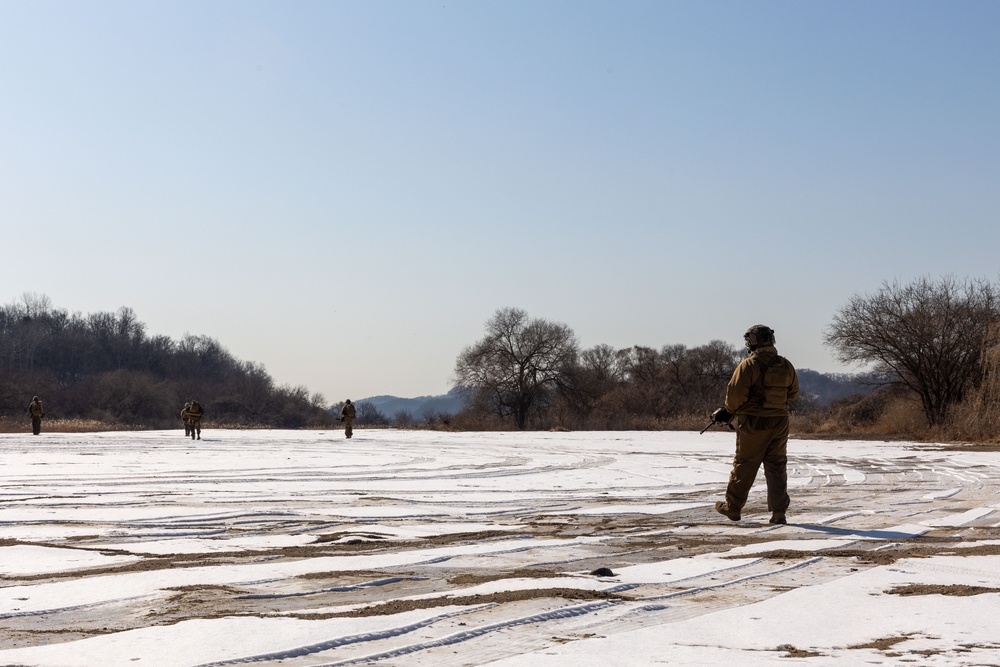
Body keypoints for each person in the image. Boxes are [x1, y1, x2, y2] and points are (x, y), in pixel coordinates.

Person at [713, 325, 799, 525]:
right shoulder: (786, 365)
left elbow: (734, 399)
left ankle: (733, 507)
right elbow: (793, 394)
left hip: (753, 422)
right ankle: (779, 512)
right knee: (777, 466)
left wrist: (729, 412)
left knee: (745, 464)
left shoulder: (748, 365)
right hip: (780, 422)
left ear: (753, 341)